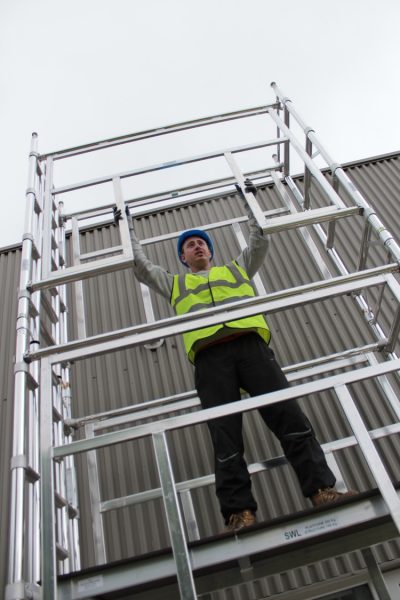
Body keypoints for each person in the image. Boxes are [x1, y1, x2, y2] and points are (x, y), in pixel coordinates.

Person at [118, 180, 356, 532]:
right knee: (225, 436)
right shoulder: (175, 284)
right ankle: (239, 513)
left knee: (290, 418)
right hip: (210, 359)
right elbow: (139, 266)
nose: (196, 247)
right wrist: (127, 224)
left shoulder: (236, 269)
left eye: (201, 243)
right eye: (189, 246)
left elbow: (261, 238)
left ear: (210, 252)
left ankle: (322, 489)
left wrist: (248, 198)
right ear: (183, 258)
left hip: (251, 349)